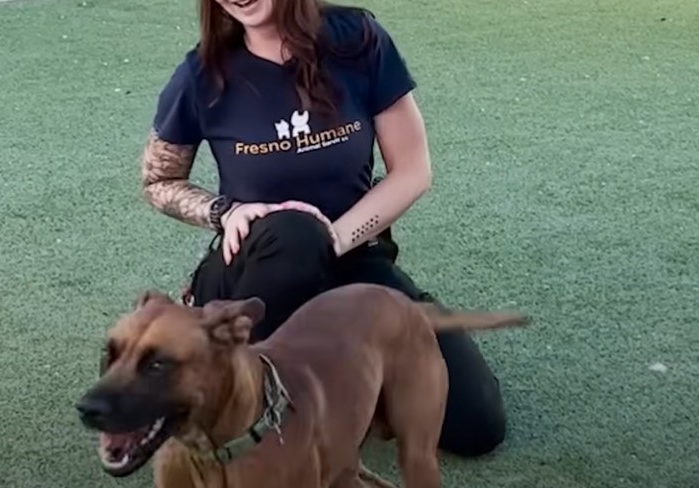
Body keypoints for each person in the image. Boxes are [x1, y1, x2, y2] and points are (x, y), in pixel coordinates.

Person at [138, 0, 506, 457]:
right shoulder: (202, 73)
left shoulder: (357, 39)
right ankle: (206, 370)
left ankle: (338, 374)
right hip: (254, 272)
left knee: (477, 425)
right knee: (293, 234)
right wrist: (223, 212)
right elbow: (159, 180)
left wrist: (333, 240)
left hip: (352, 261)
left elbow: (412, 170)